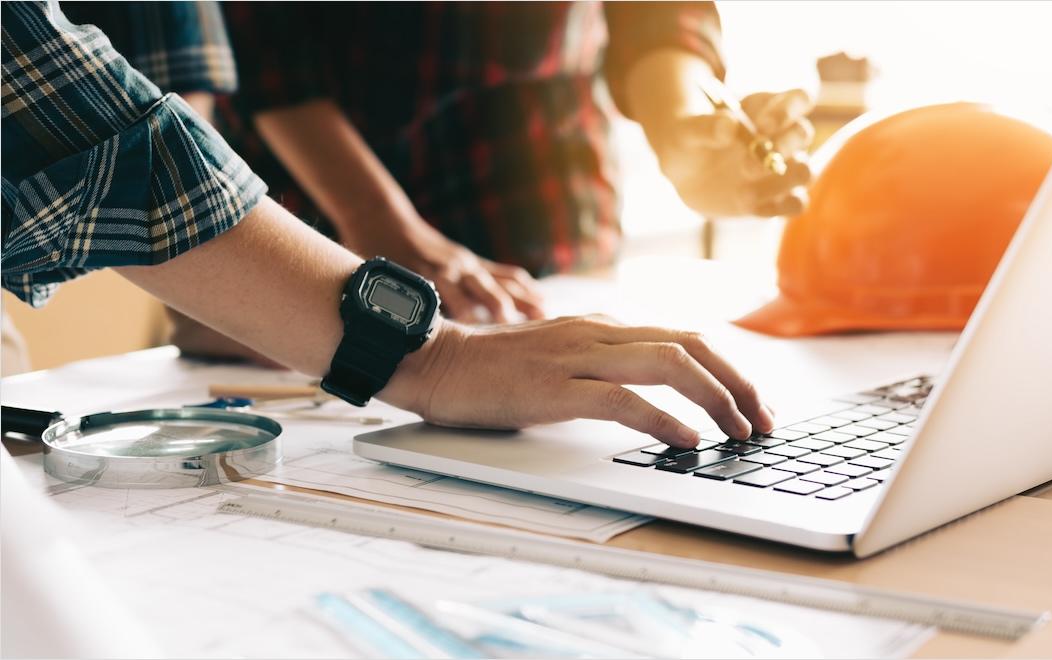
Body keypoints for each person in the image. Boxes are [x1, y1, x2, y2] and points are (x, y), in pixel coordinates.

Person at [2, 0, 774, 448]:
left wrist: (681, 105)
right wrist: (429, 357)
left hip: (535, 188)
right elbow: (56, 96)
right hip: (337, 229)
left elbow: (163, 77)